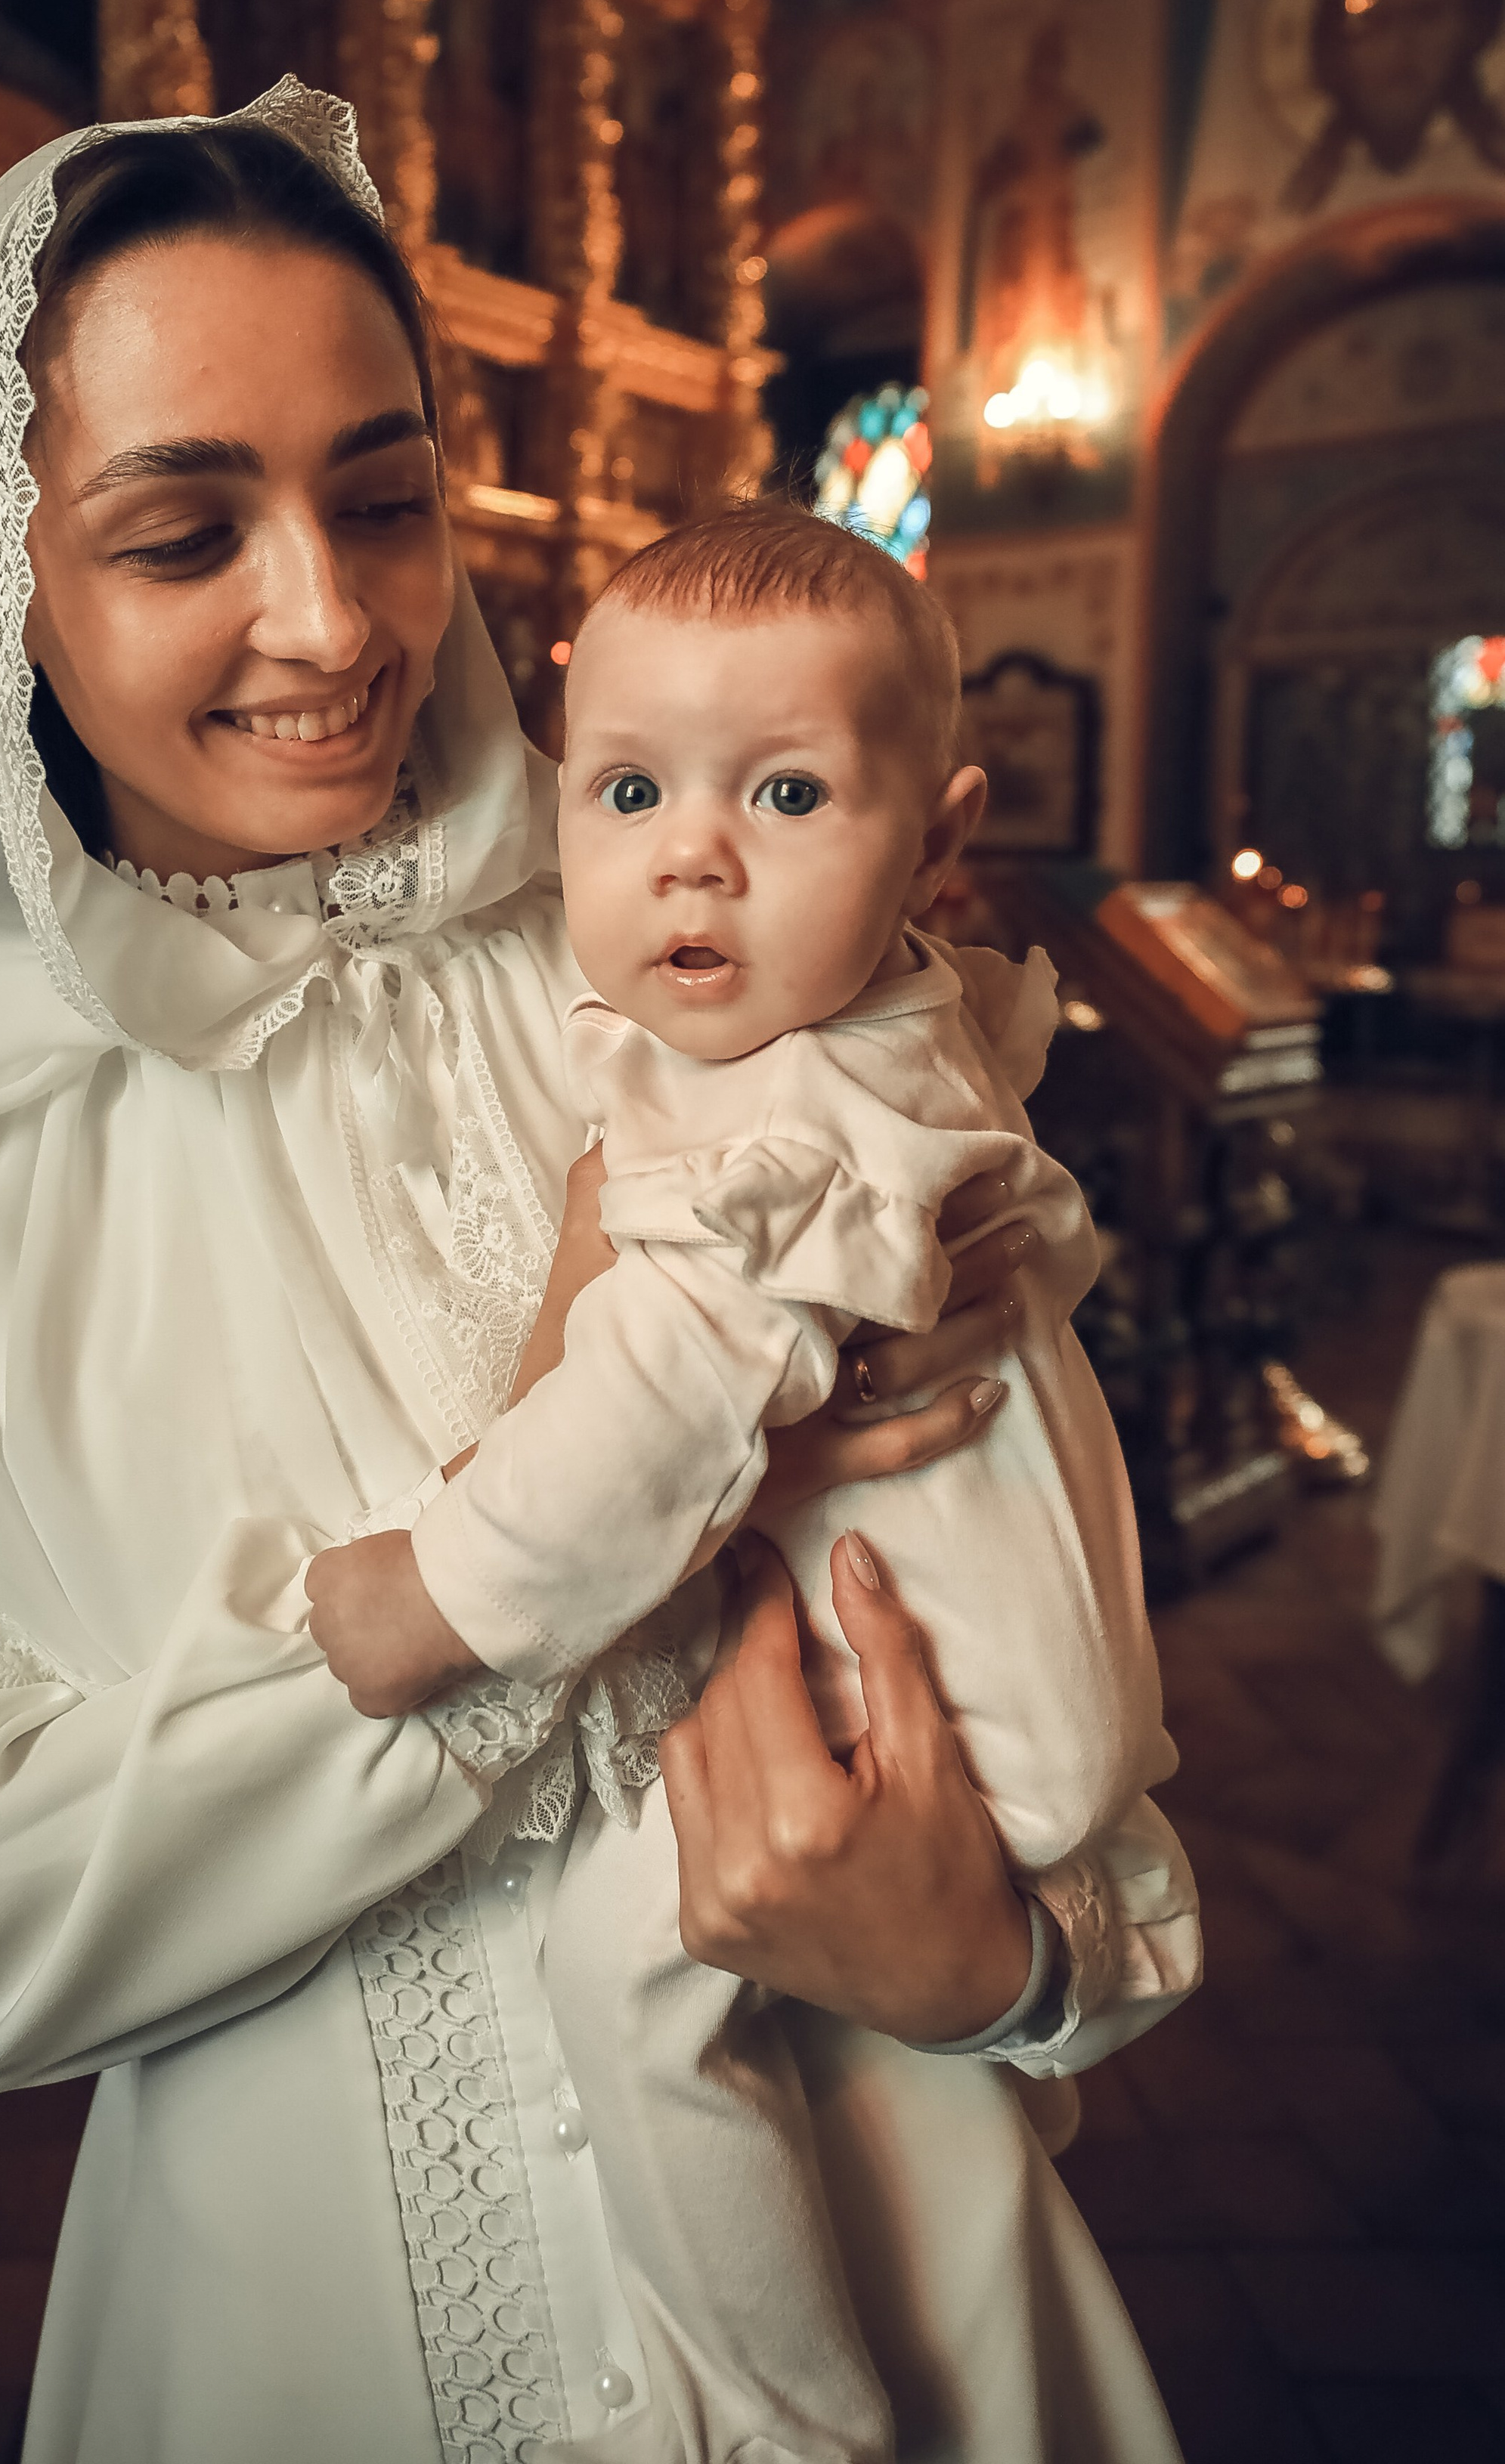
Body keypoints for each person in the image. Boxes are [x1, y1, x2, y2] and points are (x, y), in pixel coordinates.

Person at [0, 82, 1199, 2463]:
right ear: (2, 586)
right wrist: (507, 1614)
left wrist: (999, 1971)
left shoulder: (645, 980)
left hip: (903, 2247)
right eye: (183, 534)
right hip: (308, 2335)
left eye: (384, 500)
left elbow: (1025, 1654)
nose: (336, 618)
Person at [305, 503, 1166, 2459]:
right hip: (956, 1674)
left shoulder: (791, 1126)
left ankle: (792, 2421)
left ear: (937, 838)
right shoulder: (862, 1029)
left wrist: (433, 1592)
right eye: (625, 788)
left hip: (914, 1727)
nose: (691, 852)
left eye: (785, 791)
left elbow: (656, 1412)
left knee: (631, 1991)